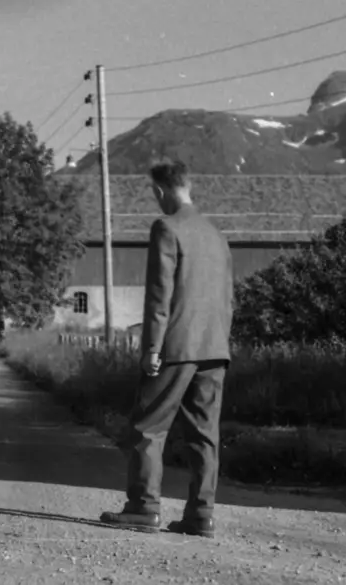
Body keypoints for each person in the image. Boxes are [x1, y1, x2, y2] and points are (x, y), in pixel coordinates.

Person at [99, 160, 234, 539]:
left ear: (160, 191)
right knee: (205, 435)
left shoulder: (166, 228)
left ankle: (144, 507)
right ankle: (201, 516)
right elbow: (228, 297)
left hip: (176, 345)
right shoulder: (216, 234)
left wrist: (152, 347)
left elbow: (160, 294)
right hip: (215, 347)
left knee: (148, 428)